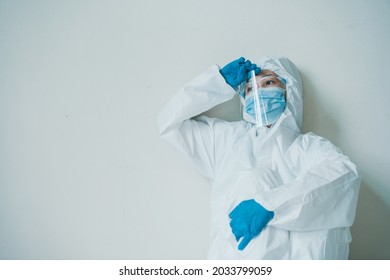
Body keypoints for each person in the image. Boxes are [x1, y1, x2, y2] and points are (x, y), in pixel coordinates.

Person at [157, 56, 361, 259]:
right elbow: (170, 124)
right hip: (237, 262)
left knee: (322, 216)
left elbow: (344, 176)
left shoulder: (308, 148)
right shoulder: (228, 141)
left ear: (289, 90)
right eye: (249, 89)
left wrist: (271, 205)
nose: (259, 92)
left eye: (269, 82)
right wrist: (218, 83)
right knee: (253, 180)